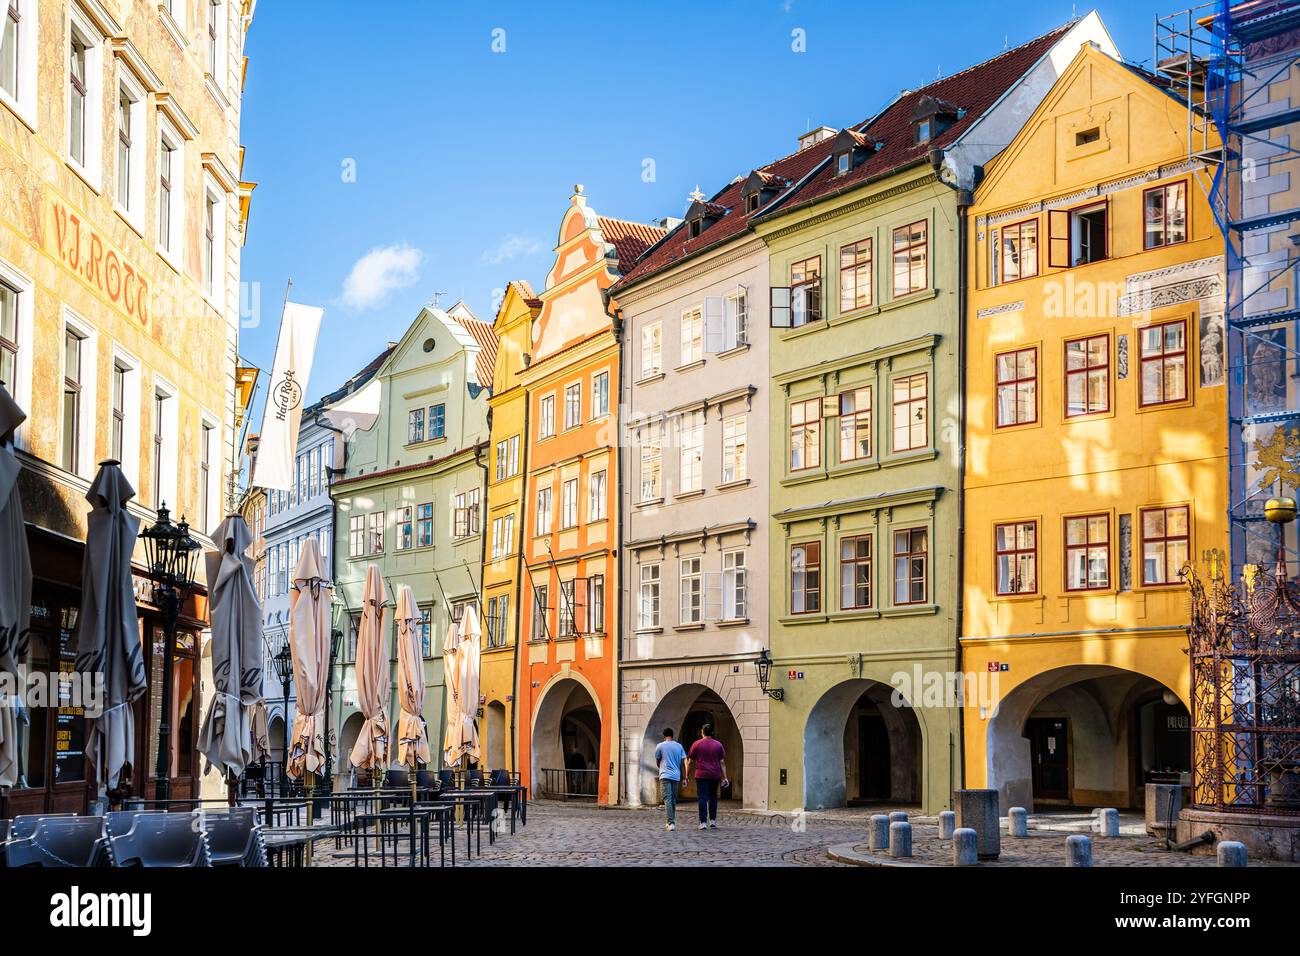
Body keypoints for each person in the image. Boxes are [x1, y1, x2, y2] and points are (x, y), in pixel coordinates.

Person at [684, 723, 727, 829]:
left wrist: (687, 775)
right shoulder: (718, 745)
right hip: (714, 775)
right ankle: (713, 821)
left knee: (702, 798)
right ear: (712, 732)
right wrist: (725, 777)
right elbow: (722, 762)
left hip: (701, 775)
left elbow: (690, 762)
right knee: (713, 797)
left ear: (702, 732)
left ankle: (703, 822)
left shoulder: (696, 744)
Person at [653, 727, 687, 831]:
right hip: (676, 775)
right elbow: (684, 761)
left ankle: (670, 822)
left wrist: (661, 767)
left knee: (667, 798)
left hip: (665, 775)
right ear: (672, 736)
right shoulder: (679, 746)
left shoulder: (660, 746)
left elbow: (658, 760)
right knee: (672, 798)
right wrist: (685, 776)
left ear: (664, 736)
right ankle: (672, 820)